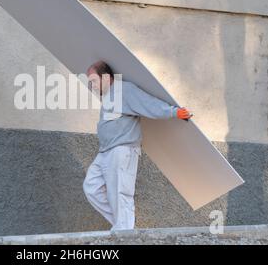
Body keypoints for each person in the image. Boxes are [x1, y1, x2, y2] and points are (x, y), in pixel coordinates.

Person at [83, 61, 193, 230]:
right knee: (91, 187)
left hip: (122, 149)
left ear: (106, 78)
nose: (91, 85)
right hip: (105, 152)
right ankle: (123, 227)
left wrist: (173, 111)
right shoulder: (108, 97)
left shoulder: (124, 90)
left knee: (121, 194)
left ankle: (124, 231)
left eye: (93, 80)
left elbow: (148, 104)